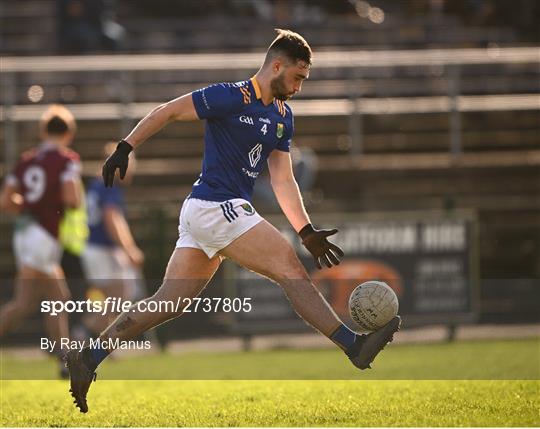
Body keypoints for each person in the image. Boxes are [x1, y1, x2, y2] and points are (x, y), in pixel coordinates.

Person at [65, 29, 400, 413]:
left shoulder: (282, 117)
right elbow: (169, 111)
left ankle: (88, 357)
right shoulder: (229, 95)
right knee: (289, 268)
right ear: (277, 66)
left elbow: (282, 179)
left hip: (207, 213)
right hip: (215, 206)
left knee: (168, 303)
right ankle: (353, 346)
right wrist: (126, 146)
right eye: (297, 77)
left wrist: (305, 229)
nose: (299, 87)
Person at [0, 104, 82, 377]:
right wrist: (55, 203)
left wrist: (29, 205)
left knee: (52, 298)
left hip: (25, 233)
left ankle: (63, 359)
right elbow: (72, 199)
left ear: (43, 130)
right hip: (44, 235)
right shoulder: (66, 160)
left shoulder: (26, 160)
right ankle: (64, 359)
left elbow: (6, 201)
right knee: (36, 301)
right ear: (68, 132)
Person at [82, 142, 144, 335]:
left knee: (114, 297)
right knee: (118, 297)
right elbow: (112, 220)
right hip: (102, 249)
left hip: (95, 248)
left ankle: (102, 344)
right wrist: (129, 249)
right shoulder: (110, 186)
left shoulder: (97, 184)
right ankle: (81, 336)